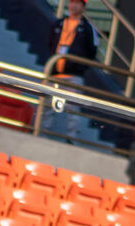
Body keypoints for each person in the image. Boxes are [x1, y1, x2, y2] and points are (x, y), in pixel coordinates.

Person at [41, 0, 98, 142]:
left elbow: (92, 51)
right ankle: (41, 132)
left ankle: (71, 138)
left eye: (78, 3)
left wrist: (79, 66)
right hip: (55, 72)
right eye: (72, 2)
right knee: (47, 104)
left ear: (83, 7)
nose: (74, 6)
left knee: (73, 108)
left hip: (74, 74)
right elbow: (50, 43)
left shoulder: (87, 27)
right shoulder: (59, 23)